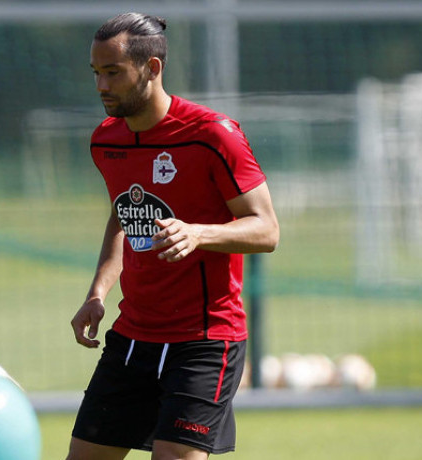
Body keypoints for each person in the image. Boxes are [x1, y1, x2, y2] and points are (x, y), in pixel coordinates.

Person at [67, 12, 279, 460]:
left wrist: (197, 233)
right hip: (133, 335)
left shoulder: (213, 135)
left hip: (204, 340)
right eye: (96, 73)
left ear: (152, 68)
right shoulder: (106, 140)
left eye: (113, 72)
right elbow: (123, 215)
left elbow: (266, 229)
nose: (101, 86)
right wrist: (98, 291)